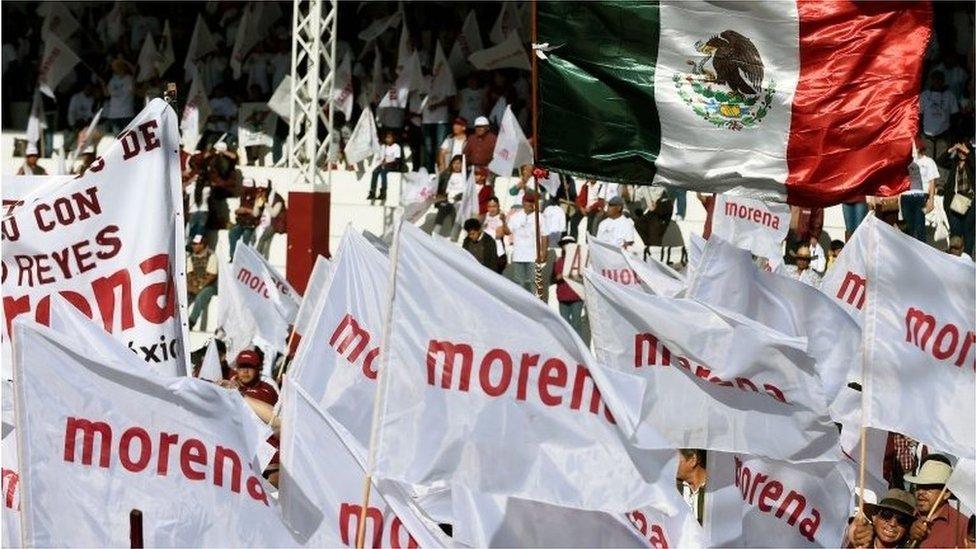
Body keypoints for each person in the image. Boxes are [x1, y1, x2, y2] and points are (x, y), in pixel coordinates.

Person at [905, 459, 970, 548]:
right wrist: (909, 539)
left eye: (929, 488)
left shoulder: (962, 524)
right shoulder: (905, 516)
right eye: (919, 486)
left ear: (946, 494)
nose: (920, 492)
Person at [938, 139, 974, 257]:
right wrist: (952, 149)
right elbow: (941, 161)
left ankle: (967, 256)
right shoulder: (955, 163)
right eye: (960, 151)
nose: (961, 153)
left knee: (968, 230)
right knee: (955, 229)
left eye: (963, 151)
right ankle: (954, 255)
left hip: (971, 199)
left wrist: (968, 153)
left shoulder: (971, 162)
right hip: (957, 199)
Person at [848, 489, 916, 548]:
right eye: (886, 515)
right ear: (874, 517)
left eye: (902, 520)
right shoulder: (857, 544)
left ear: (908, 527)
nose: (892, 524)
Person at [505, 191, 543, 293]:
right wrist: (503, 221)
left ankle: (534, 304)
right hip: (518, 255)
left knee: (534, 282)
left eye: (533, 202)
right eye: (528, 201)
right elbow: (507, 232)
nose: (531, 204)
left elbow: (545, 235)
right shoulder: (515, 216)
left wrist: (543, 252)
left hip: (533, 256)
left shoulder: (540, 216)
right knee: (519, 282)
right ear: (523, 202)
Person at [903, 137, 940, 242]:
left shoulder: (928, 162)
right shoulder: (907, 162)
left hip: (921, 196)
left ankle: (922, 251)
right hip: (907, 195)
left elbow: (932, 182)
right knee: (908, 227)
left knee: (920, 227)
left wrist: (931, 200)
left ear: (919, 148)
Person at [920, 71, 959, 159]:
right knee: (927, 164)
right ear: (931, 80)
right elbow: (919, 114)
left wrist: (951, 134)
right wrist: (920, 133)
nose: (937, 81)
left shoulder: (950, 95)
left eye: (939, 79)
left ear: (943, 80)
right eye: (935, 79)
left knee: (941, 164)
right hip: (927, 136)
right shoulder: (924, 95)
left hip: (943, 136)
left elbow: (955, 116)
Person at [553, 235, 585, 339]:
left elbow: (584, 276)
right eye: (564, 244)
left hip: (576, 297)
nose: (566, 246)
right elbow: (553, 278)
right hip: (563, 297)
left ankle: (580, 351)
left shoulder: (580, 260)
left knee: (576, 325)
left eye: (569, 243)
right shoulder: (558, 261)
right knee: (565, 326)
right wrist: (559, 276)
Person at [187, 234, 218, 330]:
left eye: (196, 244)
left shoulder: (212, 256)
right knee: (184, 297)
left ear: (202, 245)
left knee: (201, 296)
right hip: (195, 286)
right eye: (193, 244)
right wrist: (192, 287)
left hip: (210, 286)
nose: (193, 246)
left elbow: (212, 275)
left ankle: (191, 321)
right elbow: (189, 274)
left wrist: (200, 287)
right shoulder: (190, 257)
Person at [228, 177, 264, 258]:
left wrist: (246, 210)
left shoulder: (260, 197)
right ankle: (233, 256)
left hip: (253, 223)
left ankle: (245, 257)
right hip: (242, 222)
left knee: (246, 234)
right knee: (232, 233)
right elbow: (236, 210)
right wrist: (239, 211)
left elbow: (257, 213)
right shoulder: (242, 195)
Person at [676, 449, 708, 525]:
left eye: (675, 459)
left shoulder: (715, 492)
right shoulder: (672, 488)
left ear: (693, 460)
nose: (670, 464)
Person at [368, 131, 402, 201]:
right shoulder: (384, 146)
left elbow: (397, 159)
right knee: (375, 172)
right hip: (384, 163)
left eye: (389, 138)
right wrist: (382, 163)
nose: (387, 139)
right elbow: (382, 157)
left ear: (393, 139)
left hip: (392, 164)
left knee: (383, 172)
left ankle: (383, 192)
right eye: (387, 138)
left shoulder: (396, 147)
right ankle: (372, 191)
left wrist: (387, 163)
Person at [256, 182, 286, 259]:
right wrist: (257, 202)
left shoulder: (278, 200)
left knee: (262, 238)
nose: (262, 192)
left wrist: (266, 203)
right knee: (254, 237)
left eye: (263, 191)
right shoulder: (263, 197)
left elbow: (274, 214)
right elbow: (256, 213)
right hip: (264, 223)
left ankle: (256, 257)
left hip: (275, 224)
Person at [105, 59, 135, 133]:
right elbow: (107, 93)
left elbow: (132, 91)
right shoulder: (112, 79)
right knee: (117, 140)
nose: (114, 69)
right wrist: (103, 85)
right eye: (114, 67)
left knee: (128, 139)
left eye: (116, 66)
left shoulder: (129, 79)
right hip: (113, 114)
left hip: (126, 113)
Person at [482, 195, 508, 273]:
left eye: (494, 206)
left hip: (497, 250)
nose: (492, 209)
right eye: (489, 206)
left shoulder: (501, 216)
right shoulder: (486, 215)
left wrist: (488, 231)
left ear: (498, 206)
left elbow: (499, 235)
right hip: (486, 248)